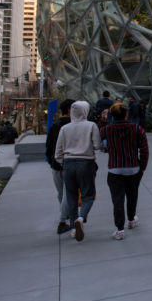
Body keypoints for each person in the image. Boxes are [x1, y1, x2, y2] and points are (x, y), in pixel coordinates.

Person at [101, 102, 149, 240]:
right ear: (126, 114)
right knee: (132, 196)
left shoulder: (107, 130)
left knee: (117, 200)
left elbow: (100, 140)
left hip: (115, 169)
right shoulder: (137, 129)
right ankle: (131, 220)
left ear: (112, 115)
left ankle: (120, 230)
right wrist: (142, 167)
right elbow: (144, 150)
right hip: (133, 168)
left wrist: (103, 121)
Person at [55, 101, 101, 242]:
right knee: (88, 195)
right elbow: (97, 145)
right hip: (86, 163)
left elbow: (58, 153)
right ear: (85, 111)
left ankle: (74, 229)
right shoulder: (91, 126)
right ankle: (81, 218)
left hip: (68, 165)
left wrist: (64, 163)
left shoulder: (64, 128)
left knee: (71, 197)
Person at [45, 99, 74, 234]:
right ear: (69, 110)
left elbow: (48, 146)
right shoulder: (71, 126)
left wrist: (52, 162)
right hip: (68, 164)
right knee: (68, 194)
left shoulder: (54, 125)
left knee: (61, 193)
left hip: (55, 165)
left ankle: (66, 213)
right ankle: (63, 220)